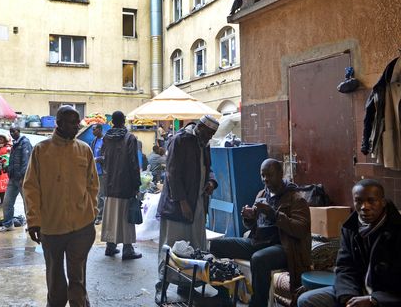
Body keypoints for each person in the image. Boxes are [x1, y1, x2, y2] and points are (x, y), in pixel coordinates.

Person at [23, 106, 99, 307]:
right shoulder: (41, 150)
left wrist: (91, 212)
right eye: (72, 122)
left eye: (77, 122)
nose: (77, 126)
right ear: (58, 123)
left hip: (82, 228)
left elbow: (93, 185)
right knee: (55, 281)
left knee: (77, 279)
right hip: (52, 227)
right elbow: (31, 188)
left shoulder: (84, 150)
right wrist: (33, 221)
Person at [210, 158, 311, 307]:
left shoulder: (295, 199)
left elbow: (301, 229)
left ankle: (258, 303)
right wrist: (249, 218)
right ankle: (223, 294)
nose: (265, 179)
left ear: (281, 174)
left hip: (283, 247)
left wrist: (274, 214)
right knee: (216, 245)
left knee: (258, 259)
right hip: (258, 242)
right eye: (262, 175)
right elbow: (252, 226)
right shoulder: (262, 194)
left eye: (269, 175)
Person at [297, 179, 401, 307]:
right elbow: (344, 267)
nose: (364, 207)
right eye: (359, 201)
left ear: (383, 202)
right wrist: (348, 297)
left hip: (387, 298)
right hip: (357, 291)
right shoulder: (350, 228)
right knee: (307, 300)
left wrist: (374, 300)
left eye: (371, 201)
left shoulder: (396, 229)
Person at [155, 116, 219, 299]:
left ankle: (186, 285)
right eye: (207, 134)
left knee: (194, 248)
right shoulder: (179, 140)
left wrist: (211, 182)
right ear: (199, 127)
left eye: (212, 135)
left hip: (198, 203)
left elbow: (209, 168)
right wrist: (182, 202)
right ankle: (162, 287)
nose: (209, 138)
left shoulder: (204, 142)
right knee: (172, 249)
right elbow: (172, 174)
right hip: (177, 205)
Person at [100, 110, 142, 260]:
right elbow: (133, 163)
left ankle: (110, 246)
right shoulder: (130, 138)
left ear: (112, 122)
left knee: (111, 215)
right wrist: (137, 184)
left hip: (110, 184)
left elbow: (104, 159)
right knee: (126, 217)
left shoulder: (106, 138)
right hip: (125, 184)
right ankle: (127, 249)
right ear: (124, 121)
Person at [0, 125, 33, 231]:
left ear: (19, 131)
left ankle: (31, 224)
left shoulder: (25, 143)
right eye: (10, 132)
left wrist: (24, 177)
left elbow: (26, 162)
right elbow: (14, 162)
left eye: (13, 131)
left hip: (22, 179)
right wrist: (7, 168)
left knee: (27, 203)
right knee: (7, 202)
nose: (12, 133)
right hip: (13, 178)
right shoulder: (15, 144)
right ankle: (8, 224)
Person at [90, 123, 105, 225]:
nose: (93, 131)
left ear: (99, 129)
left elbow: (108, 156)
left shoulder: (105, 141)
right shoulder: (94, 141)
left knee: (101, 195)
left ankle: (100, 216)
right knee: (94, 194)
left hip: (102, 172)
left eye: (94, 129)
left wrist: (98, 159)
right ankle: (95, 214)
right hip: (94, 171)